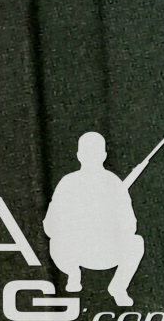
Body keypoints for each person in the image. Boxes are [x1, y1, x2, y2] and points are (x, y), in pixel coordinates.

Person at [45, 130, 150, 307]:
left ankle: (118, 287)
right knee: (56, 241)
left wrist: (106, 221)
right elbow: (50, 225)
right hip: (75, 251)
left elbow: (130, 226)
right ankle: (73, 274)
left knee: (136, 242)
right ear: (103, 155)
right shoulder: (68, 183)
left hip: (107, 252)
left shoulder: (114, 183)